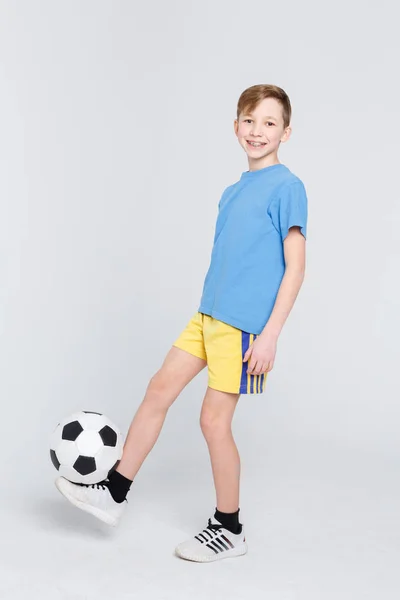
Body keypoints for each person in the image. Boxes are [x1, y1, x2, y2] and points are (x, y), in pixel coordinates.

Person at [55, 83, 308, 563]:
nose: (258, 131)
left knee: (213, 422)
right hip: (207, 315)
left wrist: (271, 334)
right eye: (250, 121)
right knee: (157, 390)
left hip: (242, 328)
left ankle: (229, 528)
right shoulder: (233, 190)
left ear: (286, 132)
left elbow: (295, 265)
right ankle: (114, 490)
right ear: (236, 127)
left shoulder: (288, 187)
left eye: (269, 123)